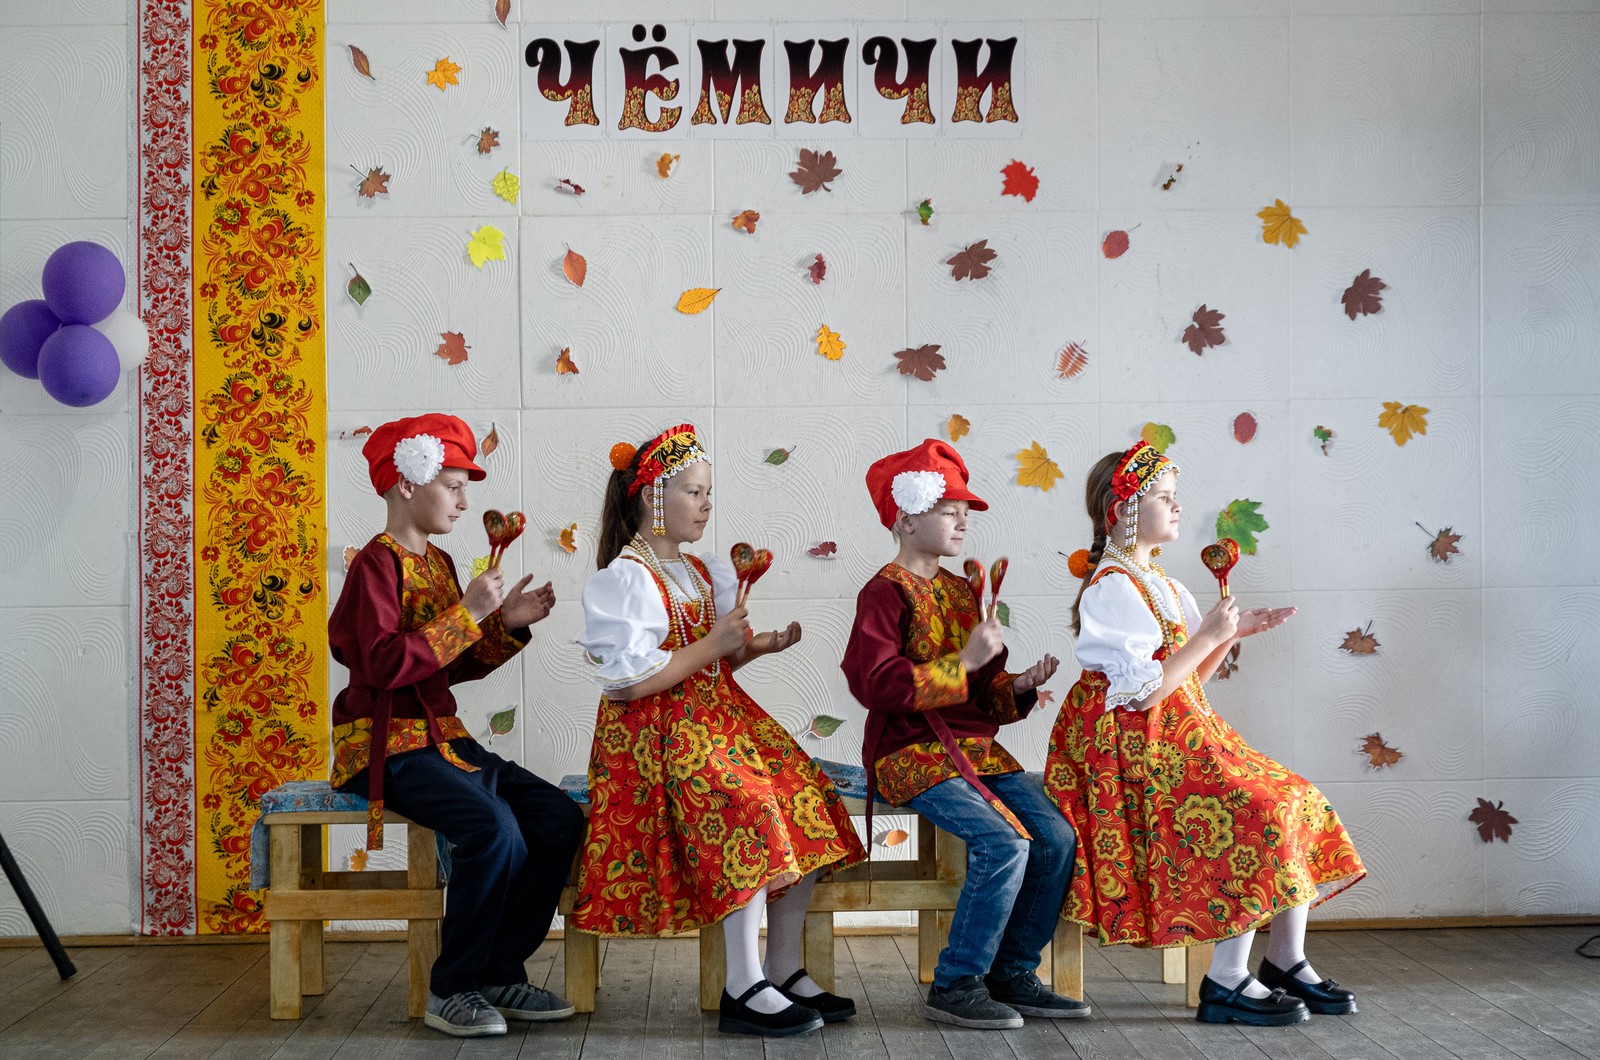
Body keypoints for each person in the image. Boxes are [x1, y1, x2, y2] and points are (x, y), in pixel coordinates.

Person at [1044, 442, 1366, 1027]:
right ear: (1124, 510)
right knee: (1253, 809)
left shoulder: (1160, 581)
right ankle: (1226, 980)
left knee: (1294, 797)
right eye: (1163, 498)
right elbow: (1140, 694)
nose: (1175, 507)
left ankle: (1284, 960)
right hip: (1131, 748)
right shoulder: (1112, 586)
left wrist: (1226, 636)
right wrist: (1207, 636)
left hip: (1179, 728)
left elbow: (1190, 677)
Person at [573, 423, 866, 1038]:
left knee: (805, 796)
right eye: (693, 492)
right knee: (751, 808)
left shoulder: (700, 571)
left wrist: (754, 647)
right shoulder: (625, 577)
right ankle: (743, 983)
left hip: (714, 719)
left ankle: (784, 970)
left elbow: (712, 660)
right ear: (653, 497)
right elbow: (628, 684)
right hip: (655, 734)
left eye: (709, 492)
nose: (707, 504)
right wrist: (714, 643)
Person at [329, 414, 585, 1038]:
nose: (465, 500)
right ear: (407, 485)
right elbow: (385, 664)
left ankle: (499, 969)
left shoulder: (441, 565)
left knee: (557, 818)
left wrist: (506, 624)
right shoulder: (375, 565)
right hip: (386, 747)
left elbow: (453, 665)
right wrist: (470, 610)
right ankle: (452, 988)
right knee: (493, 829)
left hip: (447, 742)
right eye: (452, 484)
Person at [841, 439, 1089, 1030]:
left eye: (966, 511)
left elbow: (988, 700)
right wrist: (966, 661)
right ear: (905, 516)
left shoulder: (960, 591)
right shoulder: (883, 591)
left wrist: (1019, 683)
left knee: (1055, 835)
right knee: (1005, 842)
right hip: (909, 755)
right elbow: (874, 684)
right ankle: (956, 983)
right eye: (948, 509)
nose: (962, 520)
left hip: (978, 753)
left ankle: (1010, 972)